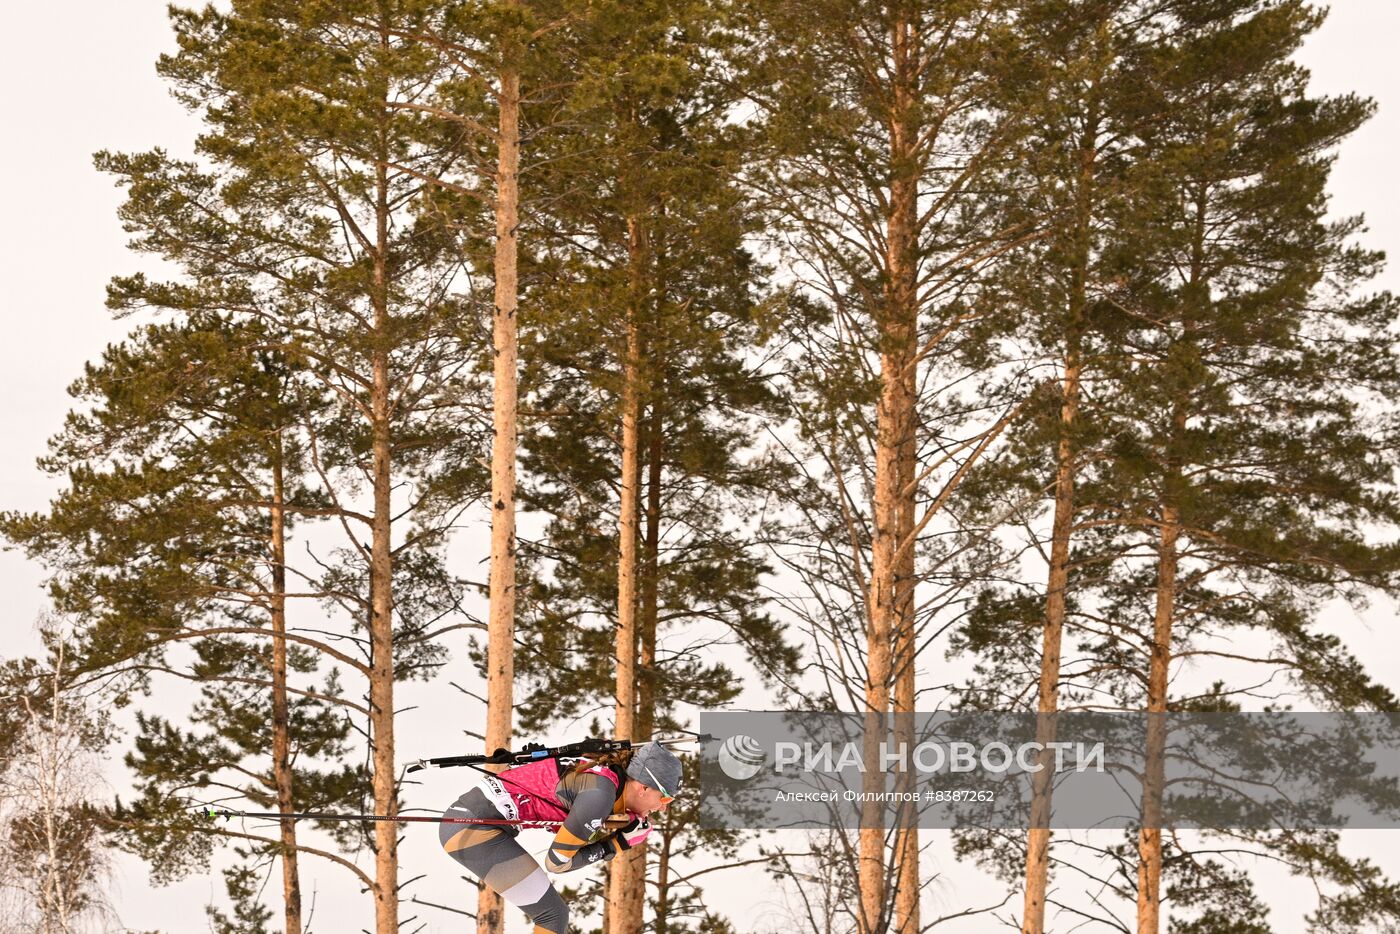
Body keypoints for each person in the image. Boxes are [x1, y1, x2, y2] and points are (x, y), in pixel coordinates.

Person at [439, 742, 682, 933]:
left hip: (471, 821)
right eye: (665, 799)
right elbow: (557, 862)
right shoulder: (600, 796)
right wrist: (617, 844)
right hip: (471, 829)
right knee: (553, 916)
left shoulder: (606, 780)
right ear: (643, 787)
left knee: (553, 915)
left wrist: (616, 822)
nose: (663, 808)